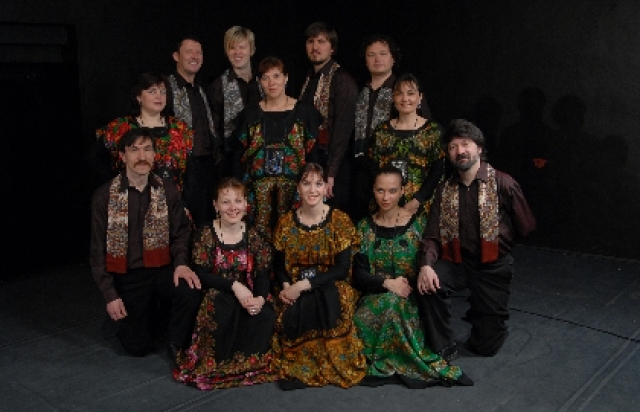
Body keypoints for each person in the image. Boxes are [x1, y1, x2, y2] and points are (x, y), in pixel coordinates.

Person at [416, 119, 536, 359]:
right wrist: (426, 266)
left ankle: (484, 314)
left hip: (492, 266)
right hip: (458, 260)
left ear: (479, 148)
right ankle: (443, 345)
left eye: (465, 144)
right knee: (429, 282)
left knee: (486, 347)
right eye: (452, 147)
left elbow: (526, 226)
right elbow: (432, 234)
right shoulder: (444, 189)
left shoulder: (503, 182)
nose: (459, 151)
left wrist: (500, 244)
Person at [353, 165, 472, 388]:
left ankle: (400, 358)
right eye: (380, 190)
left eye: (392, 191)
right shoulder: (363, 228)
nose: (386, 197)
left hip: (411, 298)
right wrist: (387, 283)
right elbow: (358, 275)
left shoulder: (418, 225)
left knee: (394, 306)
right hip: (374, 296)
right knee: (382, 307)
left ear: (402, 191)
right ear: (373, 190)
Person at [90, 128, 202, 358]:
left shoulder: (167, 190)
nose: (142, 156)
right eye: (135, 150)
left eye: (147, 149)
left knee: (189, 291)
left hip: (162, 269)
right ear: (123, 156)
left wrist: (181, 264)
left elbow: (181, 233)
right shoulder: (104, 196)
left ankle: (175, 341)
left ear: (154, 155)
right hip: (129, 275)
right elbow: (97, 250)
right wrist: (110, 295)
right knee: (137, 347)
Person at [270, 163, 366, 390]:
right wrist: (286, 286)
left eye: (318, 183)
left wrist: (304, 285)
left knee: (326, 300)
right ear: (298, 188)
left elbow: (342, 269)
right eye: (306, 183)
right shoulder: (285, 223)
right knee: (293, 311)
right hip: (293, 285)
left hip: (330, 283)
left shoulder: (340, 220)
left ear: (326, 188)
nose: (312, 189)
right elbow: (278, 265)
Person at [173, 177, 275, 390]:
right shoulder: (206, 233)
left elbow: (262, 274)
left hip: (247, 293)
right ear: (216, 205)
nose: (232, 207)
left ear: (246, 204)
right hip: (217, 291)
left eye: (238, 201)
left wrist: (259, 298)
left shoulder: (254, 235)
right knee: (220, 305)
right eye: (226, 202)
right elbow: (202, 273)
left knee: (266, 313)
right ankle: (219, 362)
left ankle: (247, 363)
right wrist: (234, 287)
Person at [234, 56, 322, 240]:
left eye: (276, 76)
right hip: (257, 197)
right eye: (265, 78)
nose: (271, 83)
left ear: (286, 78)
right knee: (259, 240)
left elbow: (313, 156)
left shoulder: (304, 113)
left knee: (294, 238)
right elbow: (239, 157)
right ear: (259, 81)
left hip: (295, 194)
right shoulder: (250, 115)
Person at [352, 35, 431, 223]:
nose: (377, 59)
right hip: (361, 167)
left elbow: (424, 130)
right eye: (371, 55)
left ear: (393, 58)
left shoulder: (403, 90)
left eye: (383, 54)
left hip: (397, 169)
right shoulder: (360, 91)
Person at [95, 73, 193, 190]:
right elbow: (97, 160)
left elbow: (191, 172)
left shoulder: (180, 128)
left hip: (172, 198)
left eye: (163, 92)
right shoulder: (120, 127)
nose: (159, 96)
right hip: (129, 197)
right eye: (152, 91)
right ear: (139, 97)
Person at [299, 22, 358, 213]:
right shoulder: (309, 77)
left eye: (321, 41)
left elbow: (342, 130)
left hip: (333, 163)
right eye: (311, 41)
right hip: (312, 158)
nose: (315, 47)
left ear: (332, 48)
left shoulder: (342, 80)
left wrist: (331, 173)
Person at [369, 73, 444, 218]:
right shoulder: (381, 131)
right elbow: (372, 168)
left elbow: (437, 171)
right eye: (399, 93)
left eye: (410, 93)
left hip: (421, 207)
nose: (405, 99)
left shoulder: (433, 131)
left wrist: (417, 200)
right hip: (385, 205)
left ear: (420, 97)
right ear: (393, 97)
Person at [166, 36, 220, 227]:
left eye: (199, 53)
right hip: (184, 169)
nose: (195, 56)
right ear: (176, 56)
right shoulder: (166, 88)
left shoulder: (201, 88)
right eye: (189, 52)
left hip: (207, 166)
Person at [208, 26, 263, 178]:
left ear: (251, 50)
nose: (237, 52)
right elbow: (213, 129)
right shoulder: (218, 86)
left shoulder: (264, 82)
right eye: (232, 48)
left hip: (263, 157)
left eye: (242, 47)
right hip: (232, 161)